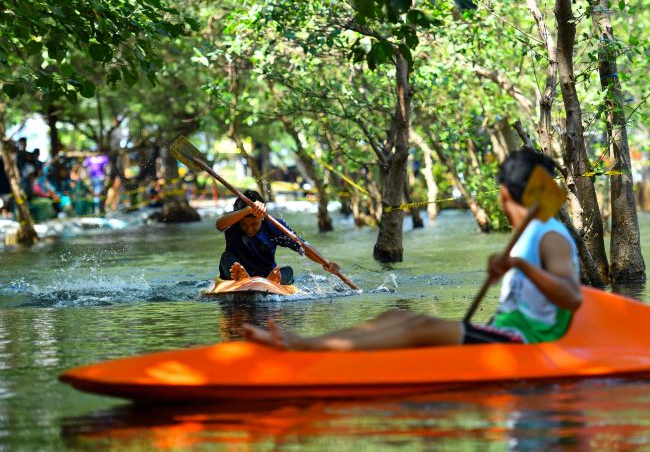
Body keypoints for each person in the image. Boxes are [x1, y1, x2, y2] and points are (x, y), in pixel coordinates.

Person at [243, 149, 582, 350]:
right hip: (506, 331)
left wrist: (520, 267)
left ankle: (306, 348)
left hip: (526, 342)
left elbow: (572, 296)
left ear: (504, 194)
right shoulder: (530, 233)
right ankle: (318, 347)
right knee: (398, 316)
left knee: (418, 326)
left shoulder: (549, 235)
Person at [217, 189, 341, 285]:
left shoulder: (274, 226)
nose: (249, 228)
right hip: (235, 271)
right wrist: (247, 210)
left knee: (288, 271)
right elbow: (219, 225)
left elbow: (302, 246)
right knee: (226, 258)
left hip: (267, 274)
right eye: (244, 224)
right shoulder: (232, 220)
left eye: (254, 224)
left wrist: (325, 262)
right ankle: (243, 278)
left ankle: (273, 280)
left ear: (262, 217)